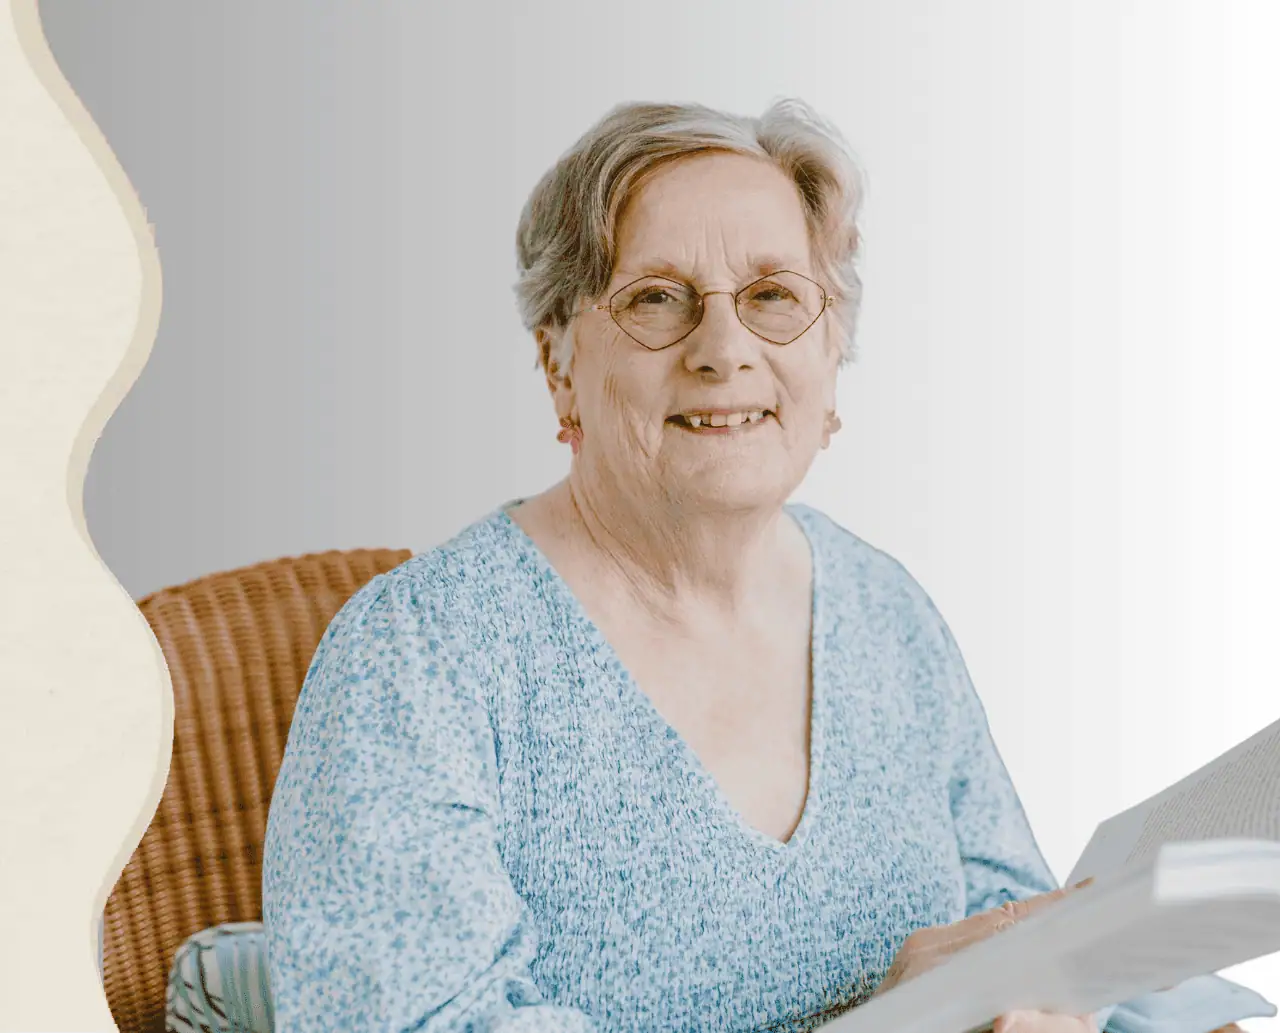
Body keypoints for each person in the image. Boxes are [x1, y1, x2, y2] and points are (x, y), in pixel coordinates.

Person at [262, 99, 1261, 1033]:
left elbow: (1007, 911)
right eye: (657, 299)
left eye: (774, 296)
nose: (722, 348)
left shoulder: (884, 608)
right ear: (558, 358)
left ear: (831, 351)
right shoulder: (416, 654)